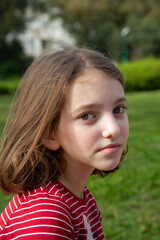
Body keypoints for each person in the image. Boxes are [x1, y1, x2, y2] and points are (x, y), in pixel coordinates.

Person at [0, 47, 129, 239]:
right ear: (49, 134)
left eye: (118, 109)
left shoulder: (81, 199)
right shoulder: (45, 219)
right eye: (87, 115)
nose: (113, 129)